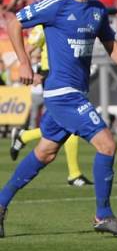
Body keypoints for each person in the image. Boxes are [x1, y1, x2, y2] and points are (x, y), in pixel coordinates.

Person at [0, 0, 117, 238]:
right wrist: (24, 62)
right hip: (62, 93)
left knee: (45, 153)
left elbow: (108, 40)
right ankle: (103, 215)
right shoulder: (57, 5)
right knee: (107, 145)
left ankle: (0, 204)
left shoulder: (97, 9)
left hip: (76, 92)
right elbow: (14, 22)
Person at [9, 23, 92, 187]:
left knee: (62, 125)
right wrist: (32, 73)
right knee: (70, 123)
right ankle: (74, 174)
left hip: (69, 74)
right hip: (51, 75)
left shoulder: (71, 23)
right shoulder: (43, 26)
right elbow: (27, 50)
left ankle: (23, 136)